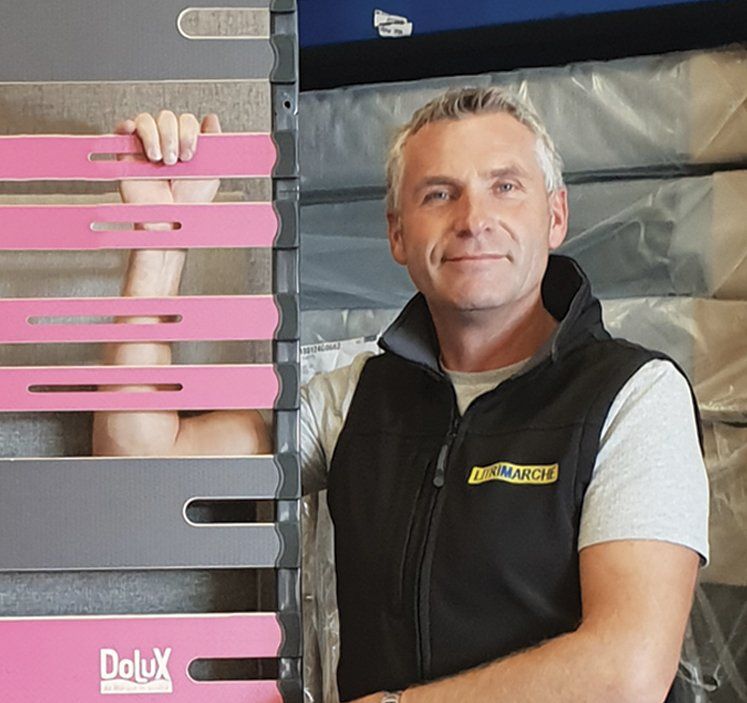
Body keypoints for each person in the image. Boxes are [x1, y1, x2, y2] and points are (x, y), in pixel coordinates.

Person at [93, 88, 709, 703]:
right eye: (439, 194)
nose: (473, 219)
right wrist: (160, 244)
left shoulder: (631, 398)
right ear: (396, 234)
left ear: (555, 216)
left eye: (505, 187)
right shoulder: (354, 402)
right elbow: (145, 465)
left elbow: (627, 672)